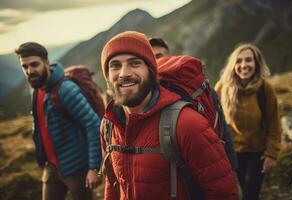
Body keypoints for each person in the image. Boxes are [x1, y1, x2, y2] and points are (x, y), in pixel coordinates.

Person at [100, 31, 238, 200]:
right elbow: (112, 183)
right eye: (115, 65)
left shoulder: (186, 124)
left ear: (151, 71)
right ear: (107, 76)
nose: (124, 73)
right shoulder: (109, 125)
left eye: (134, 63)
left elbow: (222, 193)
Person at [15, 42, 102, 200]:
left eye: (34, 64)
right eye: (24, 66)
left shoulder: (65, 89)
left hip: (77, 168)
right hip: (52, 168)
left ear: (46, 63)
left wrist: (94, 168)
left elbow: (93, 124)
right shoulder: (36, 90)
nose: (29, 71)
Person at [215, 43, 282, 200]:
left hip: (256, 153)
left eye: (248, 60)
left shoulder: (265, 89)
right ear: (233, 65)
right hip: (230, 153)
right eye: (239, 61)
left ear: (256, 63)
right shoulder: (222, 88)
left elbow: (274, 123)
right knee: (231, 194)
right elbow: (213, 121)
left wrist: (271, 154)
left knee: (251, 194)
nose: (244, 65)